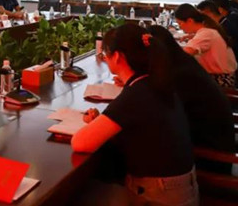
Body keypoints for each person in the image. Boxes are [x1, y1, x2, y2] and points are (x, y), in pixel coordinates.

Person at [71, 24, 198, 206]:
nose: (105, 59)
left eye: (106, 55)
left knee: (80, 197)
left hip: (159, 194)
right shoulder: (155, 83)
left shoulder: (136, 94)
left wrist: (95, 125)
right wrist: (102, 123)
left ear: (117, 56)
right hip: (181, 189)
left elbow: (80, 142)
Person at [148, 25, 234, 172]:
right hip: (213, 144)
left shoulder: (180, 75)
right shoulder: (183, 63)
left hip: (210, 159)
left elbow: (160, 114)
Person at [175, 3, 238, 87]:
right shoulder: (208, 31)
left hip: (220, 80)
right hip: (223, 76)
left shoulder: (205, 33)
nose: (180, 27)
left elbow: (184, 55)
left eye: (180, 23)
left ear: (190, 21)